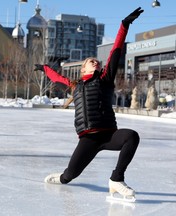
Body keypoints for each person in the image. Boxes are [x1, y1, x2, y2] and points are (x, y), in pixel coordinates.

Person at [34, 7, 144, 201]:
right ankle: (61, 177)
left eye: (97, 62)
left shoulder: (105, 79)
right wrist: (44, 68)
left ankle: (116, 179)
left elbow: (115, 51)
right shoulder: (74, 85)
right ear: (83, 67)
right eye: (91, 61)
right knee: (70, 175)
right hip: (88, 139)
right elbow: (57, 77)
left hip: (109, 134)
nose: (96, 62)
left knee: (131, 136)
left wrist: (124, 25)